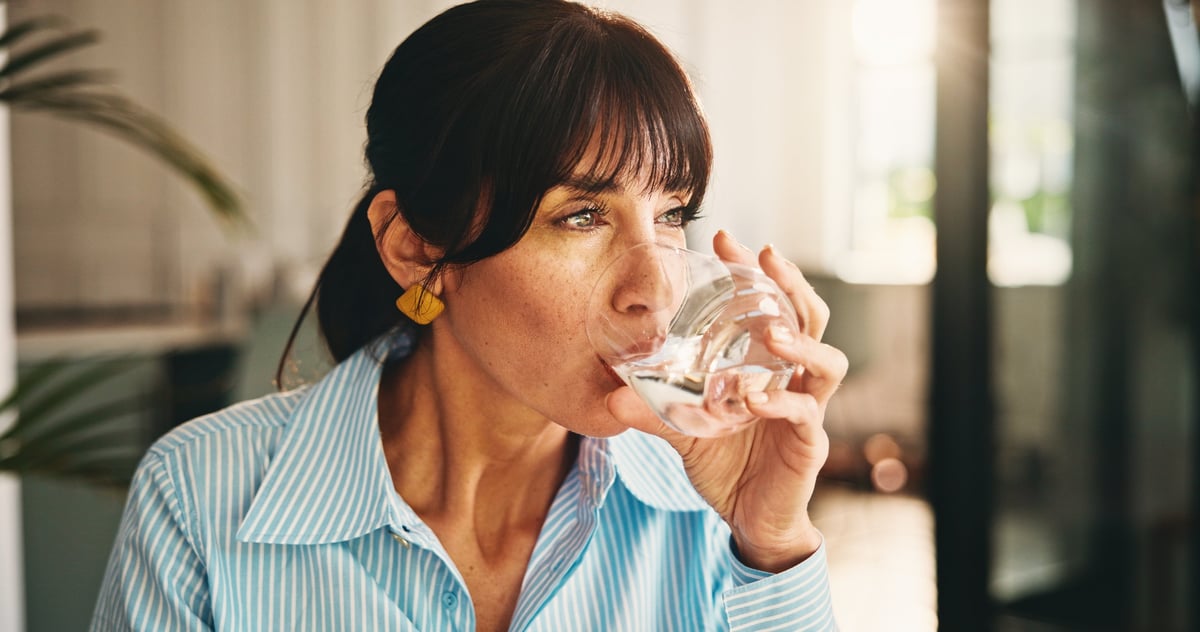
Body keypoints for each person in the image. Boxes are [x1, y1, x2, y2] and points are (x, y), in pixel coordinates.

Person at [91, 1, 848, 630]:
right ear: (417, 246)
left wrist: (772, 542)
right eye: (582, 215)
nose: (654, 285)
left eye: (672, 213)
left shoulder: (709, 508)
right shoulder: (199, 496)